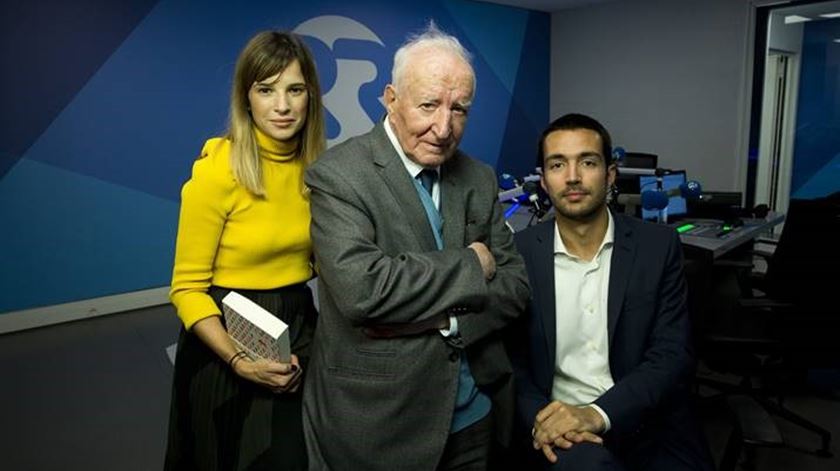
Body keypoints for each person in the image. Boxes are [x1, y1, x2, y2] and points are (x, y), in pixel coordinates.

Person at [301, 23, 529, 471]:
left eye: (459, 109)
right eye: (428, 105)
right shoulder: (338, 175)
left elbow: (515, 287)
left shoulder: (479, 178)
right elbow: (363, 291)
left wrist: (444, 320)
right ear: (390, 98)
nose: (443, 128)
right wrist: (472, 264)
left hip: (473, 413)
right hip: (381, 422)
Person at [509, 113, 714, 470]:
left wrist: (598, 414)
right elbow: (511, 363)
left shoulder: (658, 245)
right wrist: (542, 421)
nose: (572, 177)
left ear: (610, 173)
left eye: (587, 162)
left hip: (647, 419)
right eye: (558, 164)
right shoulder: (518, 254)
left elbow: (672, 353)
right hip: (561, 428)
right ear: (543, 180)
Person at [164, 31, 325, 471]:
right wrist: (237, 360)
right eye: (266, 90)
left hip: (295, 328)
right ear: (246, 98)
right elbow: (186, 289)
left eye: (295, 89)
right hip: (224, 337)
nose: (282, 106)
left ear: (310, 96)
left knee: (292, 458)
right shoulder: (217, 171)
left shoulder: (318, 173)